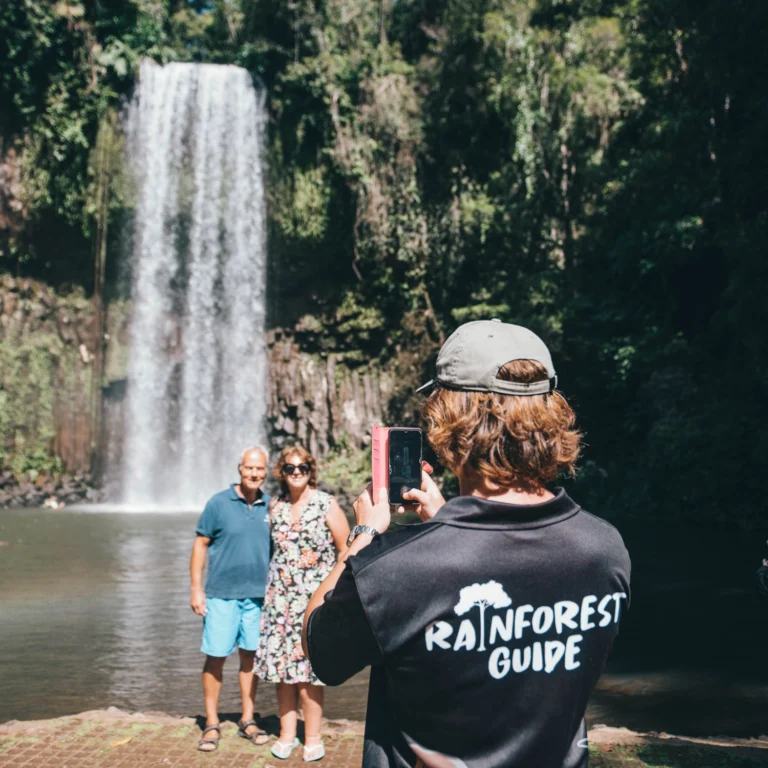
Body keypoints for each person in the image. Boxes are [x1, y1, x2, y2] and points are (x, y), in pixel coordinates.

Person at [303, 320, 631, 768]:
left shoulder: (397, 571)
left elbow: (320, 649)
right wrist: (449, 523)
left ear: (445, 421)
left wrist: (361, 538)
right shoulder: (604, 549)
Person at [255, 445, 351, 762]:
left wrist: (333, 592)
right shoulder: (276, 505)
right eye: (290, 468)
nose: (297, 473)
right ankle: (286, 734)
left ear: (311, 471)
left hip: (313, 600)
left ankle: (312, 737)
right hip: (279, 601)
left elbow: (347, 550)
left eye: (303, 468)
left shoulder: (326, 504)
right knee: (283, 673)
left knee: (308, 674)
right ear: (281, 473)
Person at [190, 446, 272, 753]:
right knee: (216, 656)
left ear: (266, 472)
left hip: (258, 597)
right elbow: (200, 545)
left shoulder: (270, 505)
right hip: (221, 595)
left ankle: (248, 718)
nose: (254, 474)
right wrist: (196, 589)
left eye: (260, 469)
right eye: (249, 468)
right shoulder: (218, 503)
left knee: (250, 658)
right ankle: (211, 722)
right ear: (240, 469)